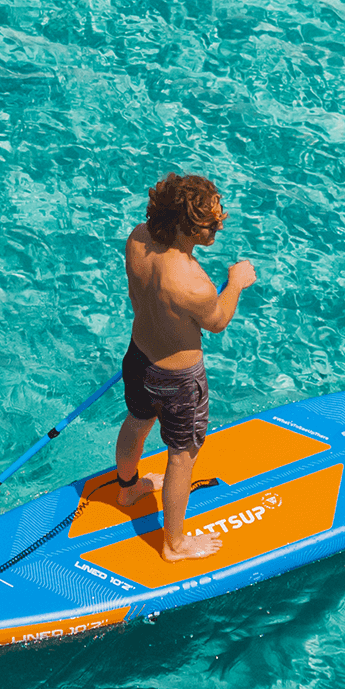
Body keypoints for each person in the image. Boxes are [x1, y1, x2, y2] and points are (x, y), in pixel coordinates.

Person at [115, 173, 256, 561]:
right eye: (211, 222)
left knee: (137, 420)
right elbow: (216, 322)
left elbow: (145, 297)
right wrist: (236, 283)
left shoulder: (139, 237)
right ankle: (175, 545)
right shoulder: (192, 283)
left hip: (139, 357)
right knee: (182, 456)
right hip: (177, 380)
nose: (219, 226)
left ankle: (127, 488)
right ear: (184, 225)